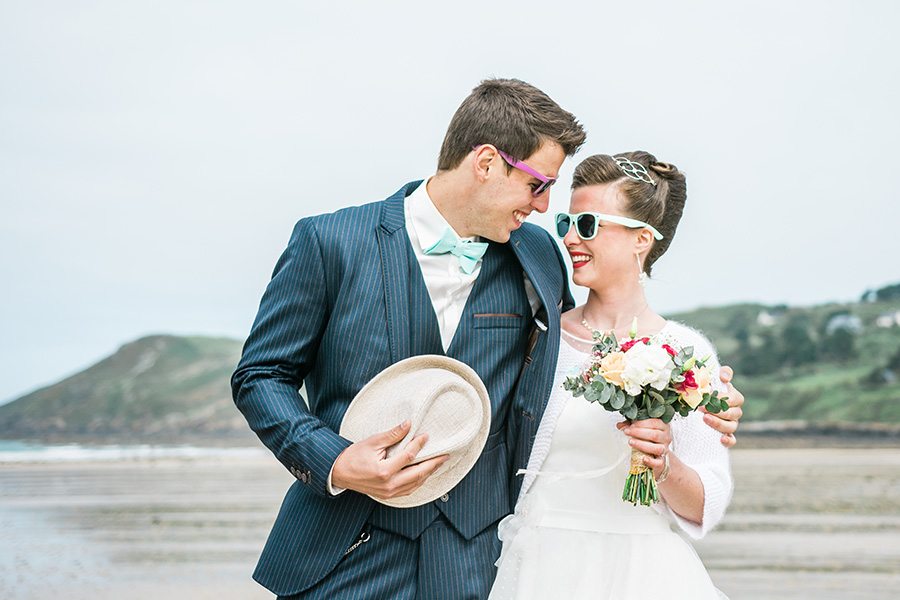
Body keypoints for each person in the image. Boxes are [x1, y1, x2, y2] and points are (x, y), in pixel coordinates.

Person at [231, 80, 743, 600]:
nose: (545, 208)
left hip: (477, 564)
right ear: (486, 163)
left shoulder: (538, 257)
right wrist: (335, 460)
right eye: (538, 185)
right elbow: (260, 375)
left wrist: (699, 391)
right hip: (344, 553)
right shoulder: (330, 241)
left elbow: (581, 361)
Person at [489, 152, 733, 600]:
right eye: (566, 223)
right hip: (536, 567)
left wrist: (663, 464)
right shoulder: (540, 336)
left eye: (587, 225)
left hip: (644, 574)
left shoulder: (688, 352)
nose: (569, 239)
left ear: (642, 240)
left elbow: (705, 502)